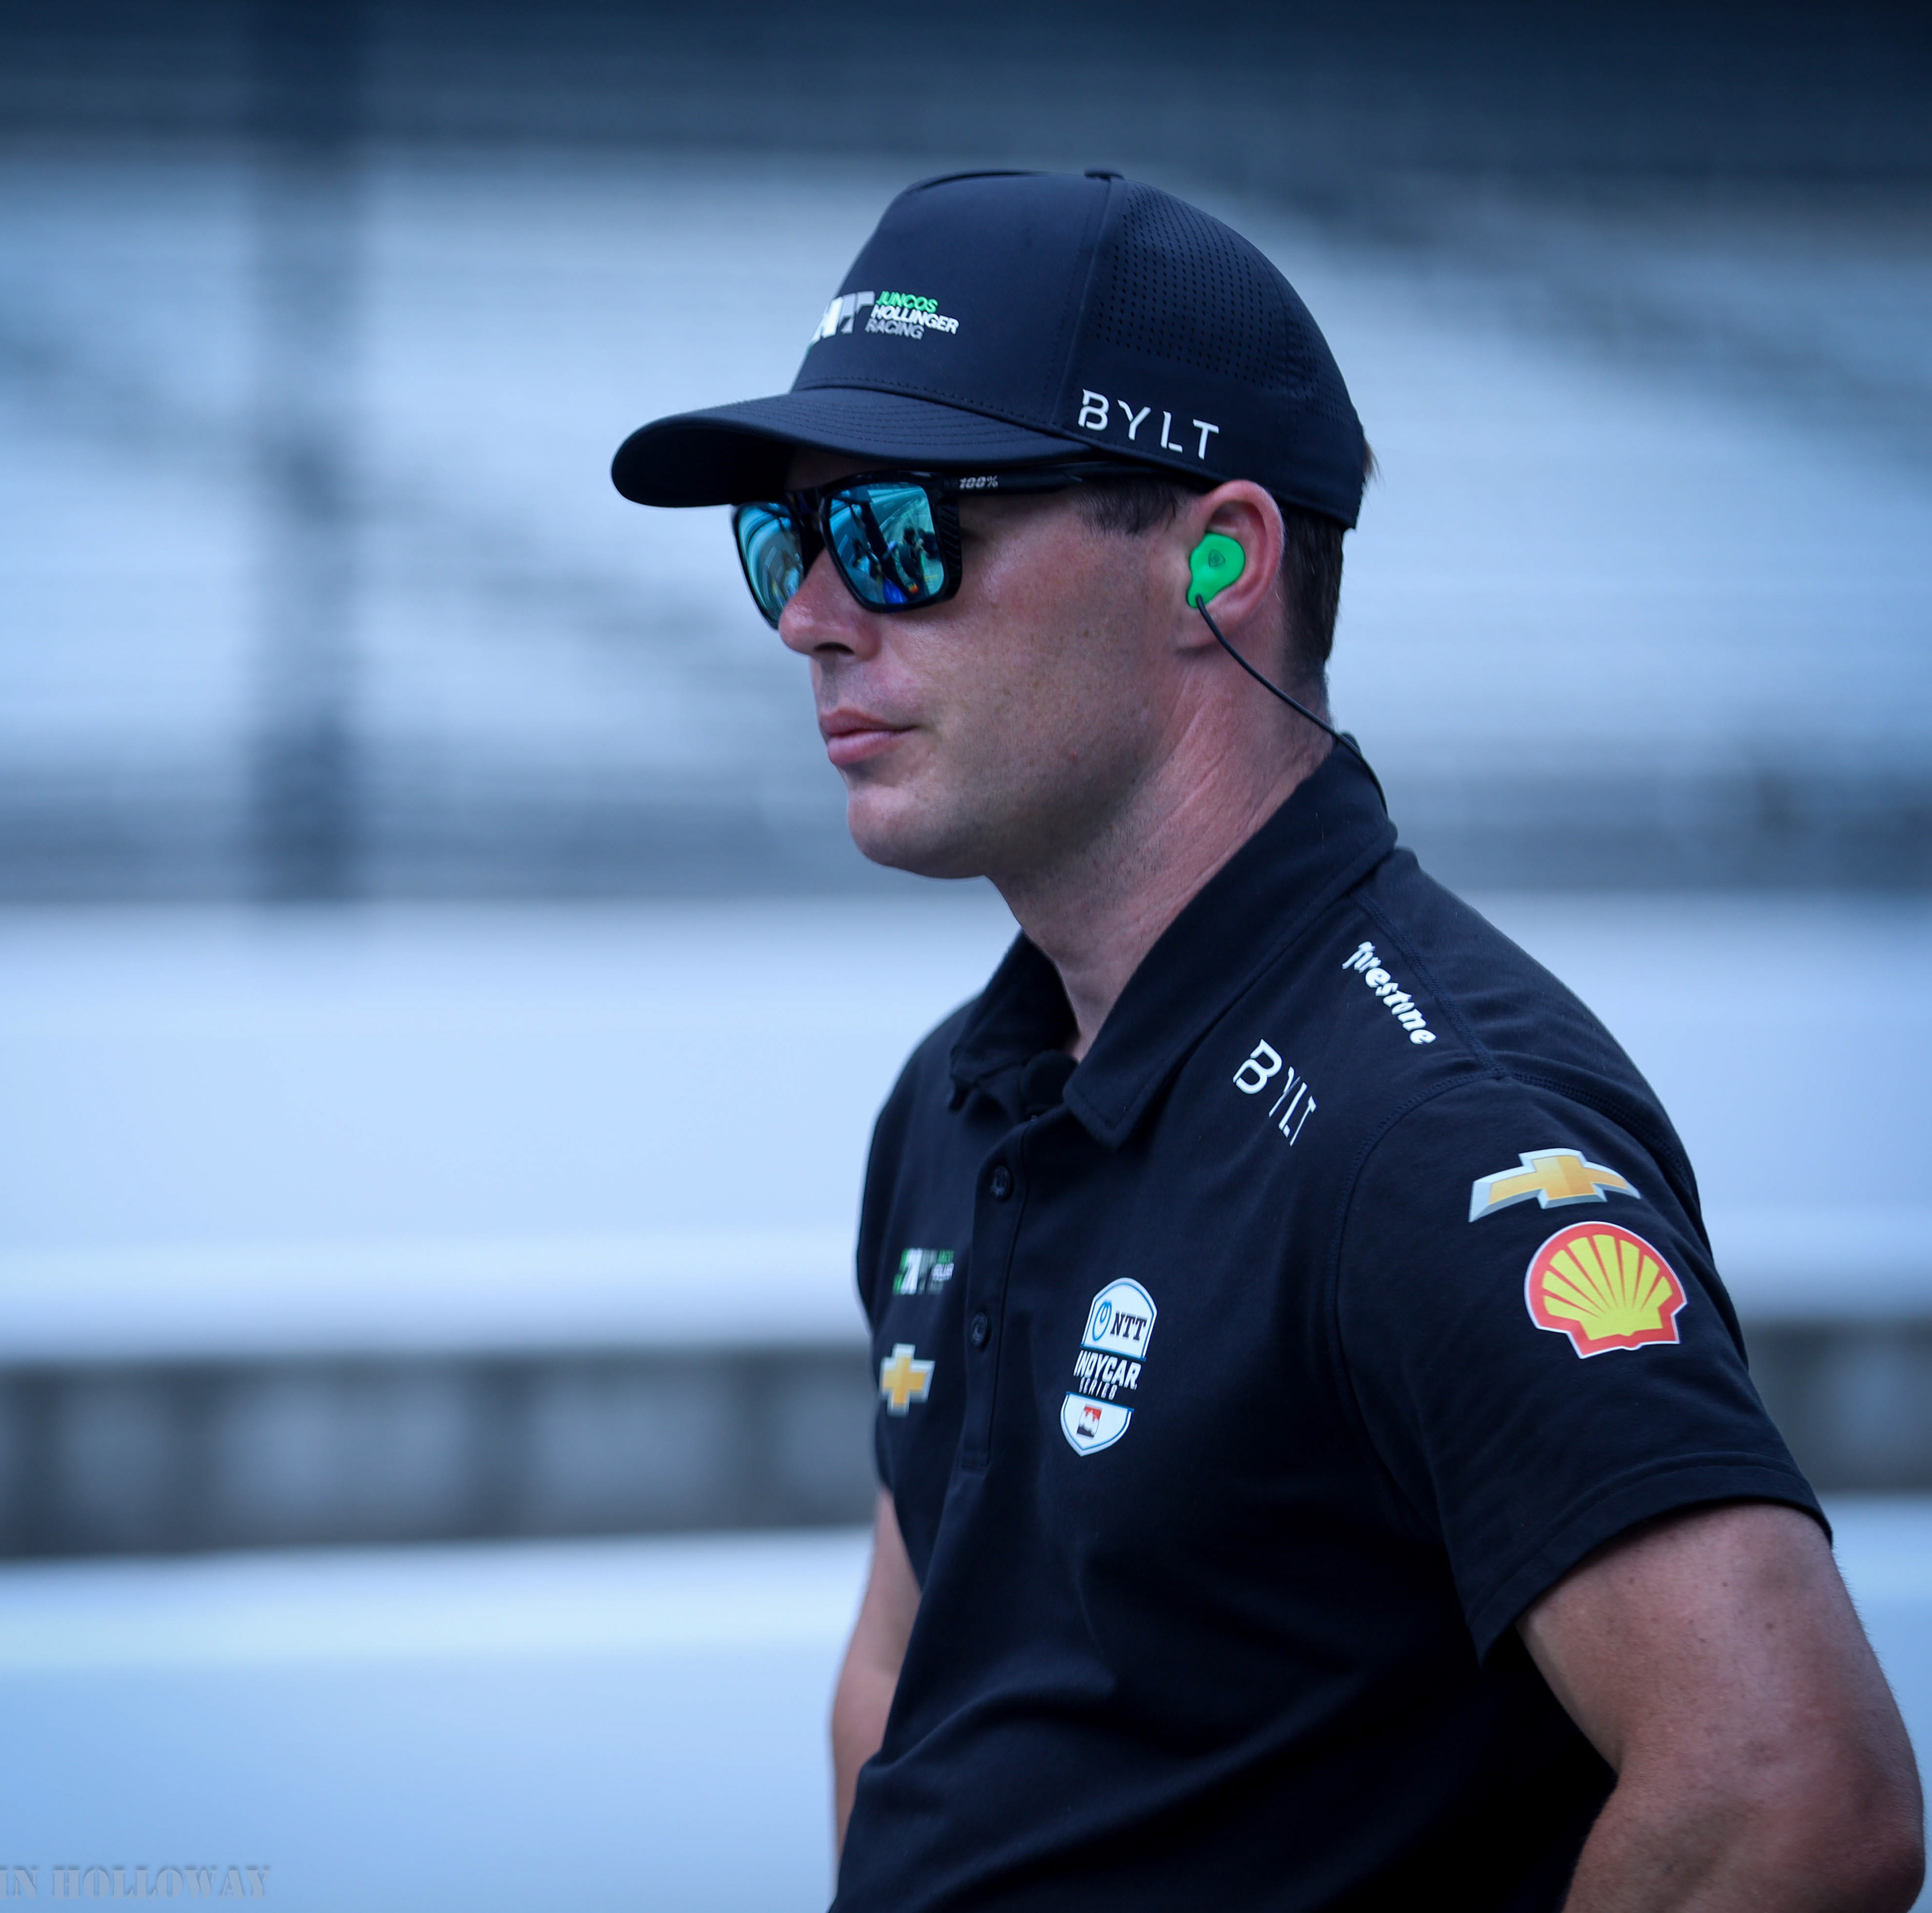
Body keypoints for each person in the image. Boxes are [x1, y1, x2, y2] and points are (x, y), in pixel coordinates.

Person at [611, 171, 1923, 1912]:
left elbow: (1794, 1797)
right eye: (787, 539)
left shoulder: (1432, 1133)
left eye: (902, 532)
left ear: (1216, 562)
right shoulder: (964, 1091)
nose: (811, 615)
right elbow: (906, 1686)